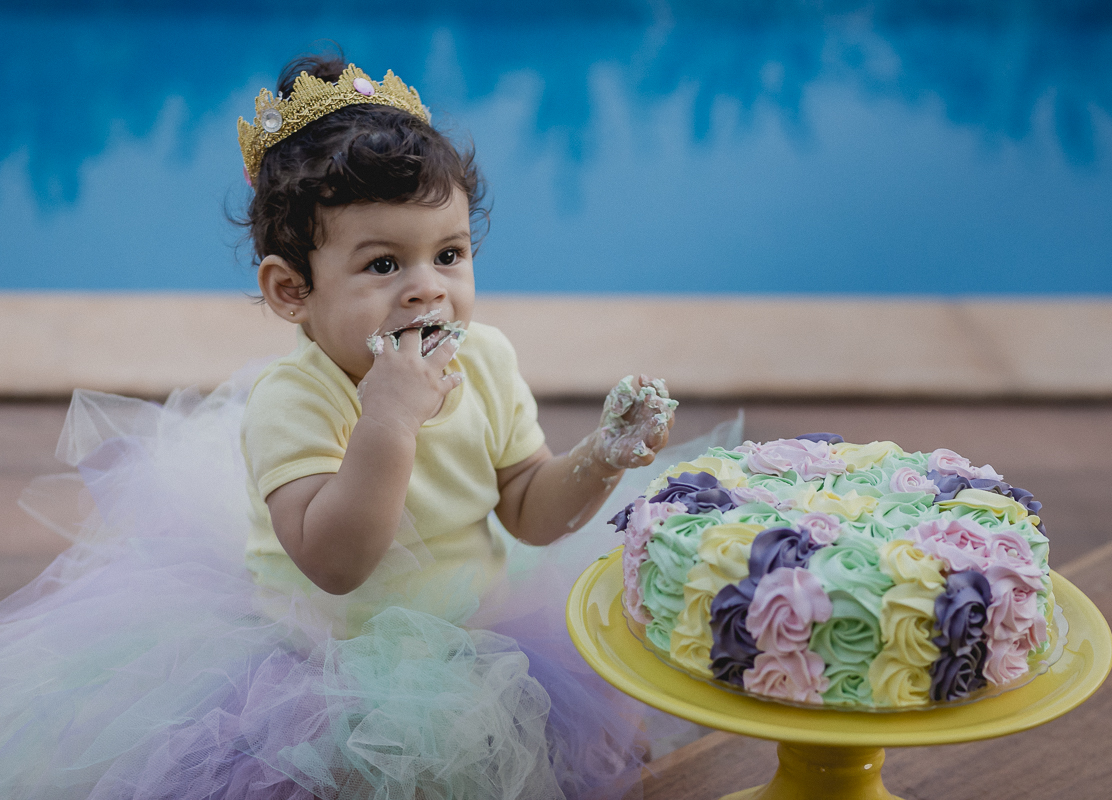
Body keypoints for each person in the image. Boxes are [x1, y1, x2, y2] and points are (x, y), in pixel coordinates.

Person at [0, 54, 742, 799]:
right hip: (325, 671)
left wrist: (600, 459)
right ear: (293, 290)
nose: (428, 288)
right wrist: (388, 416)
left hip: (482, 647)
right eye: (384, 264)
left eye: (449, 255)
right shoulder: (296, 400)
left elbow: (526, 507)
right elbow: (337, 562)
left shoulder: (482, 359)